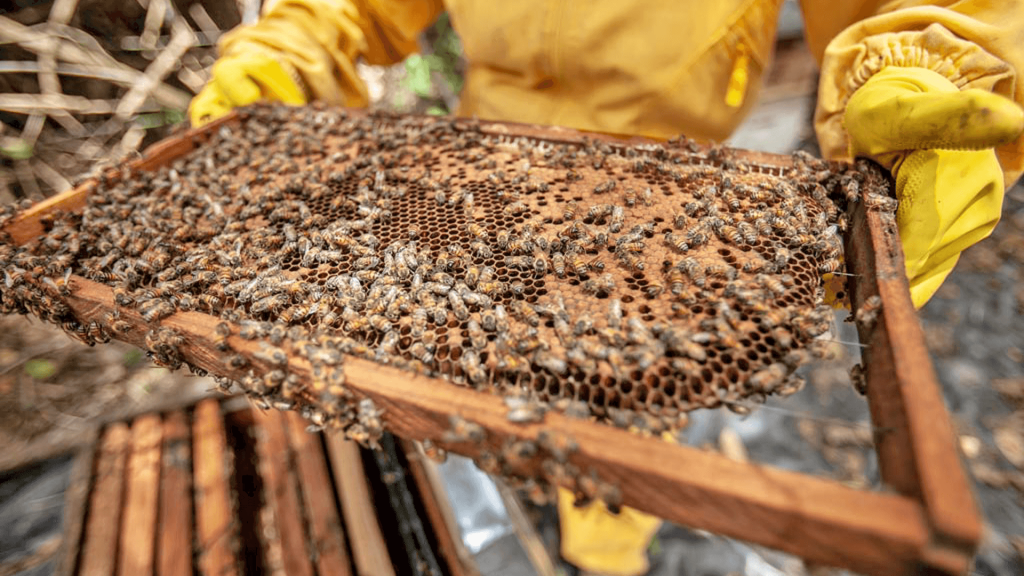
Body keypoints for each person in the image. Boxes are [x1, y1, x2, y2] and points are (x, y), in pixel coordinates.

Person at [190, 2, 1024, 574]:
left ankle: (609, 543)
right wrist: (287, 49)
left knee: (635, 396)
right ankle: (528, 479)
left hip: (665, 197)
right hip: (482, 181)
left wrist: (931, 61)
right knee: (474, 364)